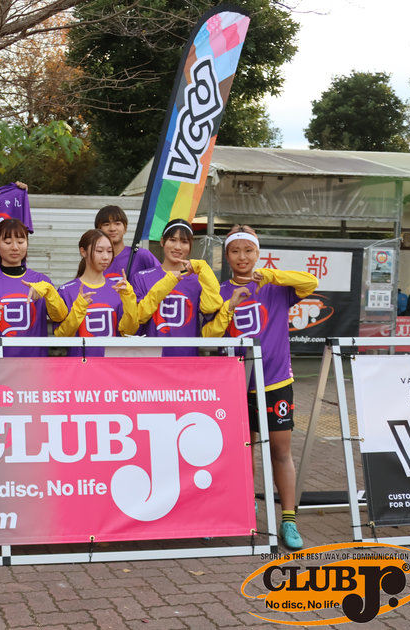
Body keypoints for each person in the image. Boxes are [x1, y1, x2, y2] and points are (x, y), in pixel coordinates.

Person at [202, 225, 318, 551]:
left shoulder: (275, 286)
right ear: (227, 255)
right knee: (242, 450)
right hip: (235, 383)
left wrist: (270, 275)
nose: (242, 257)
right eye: (235, 251)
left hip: (276, 381)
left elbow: (311, 282)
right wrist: (229, 305)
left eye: (248, 250)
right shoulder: (218, 291)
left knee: (280, 451)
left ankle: (289, 519)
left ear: (258, 253)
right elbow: (208, 336)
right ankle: (245, 507)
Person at [0, 218, 69, 357]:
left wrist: (49, 292)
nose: (15, 247)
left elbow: (60, 316)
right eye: (7, 242)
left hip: (35, 363)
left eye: (20, 242)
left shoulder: (41, 281)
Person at [130, 218, 222, 356]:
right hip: (150, 359)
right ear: (162, 241)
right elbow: (133, 320)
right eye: (172, 240)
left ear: (190, 246)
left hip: (186, 360)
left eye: (184, 242)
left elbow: (210, 317)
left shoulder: (198, 280)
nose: (177, 247)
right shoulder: (141, 278)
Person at [55, 229, 139, 356]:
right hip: (79, 365)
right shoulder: (66, 291)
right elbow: (61, 338)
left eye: (109, 251)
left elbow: (129, 332)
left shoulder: (119, 289)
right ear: (83, 251)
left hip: (111, 365)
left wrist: (129, 299)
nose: (106, 257)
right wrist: (78, 309)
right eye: (99, 251)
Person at [94, 205, 159, 279]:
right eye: (106, 224)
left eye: (117, 223)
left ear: (125, 228)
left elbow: (164, 279)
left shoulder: (142, 255)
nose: (112, 228)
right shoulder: (92, 260)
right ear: (98, 230)